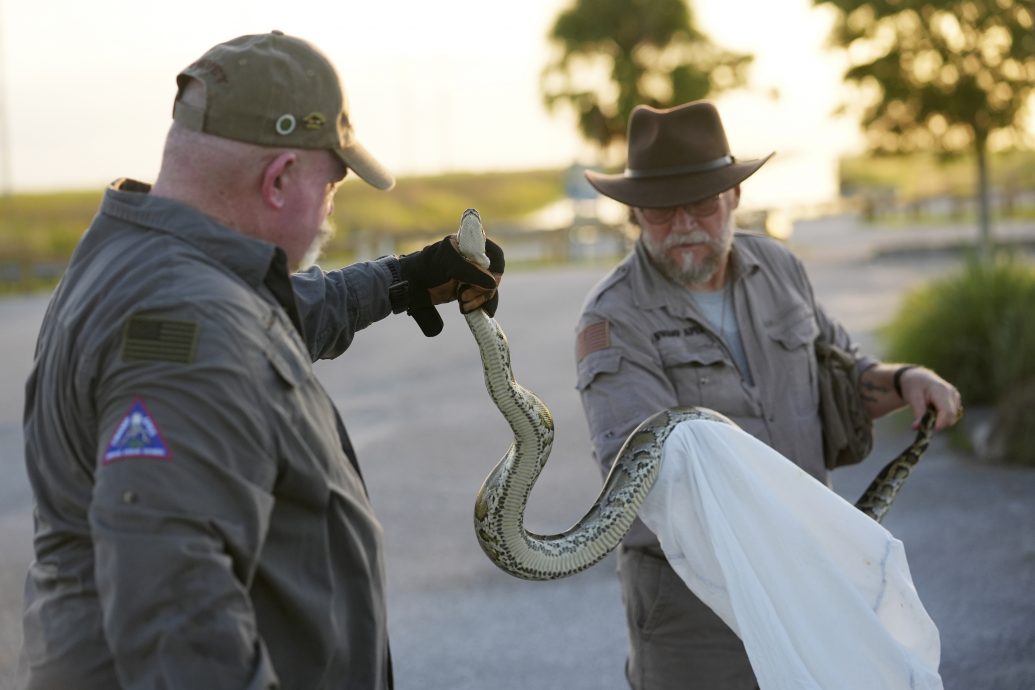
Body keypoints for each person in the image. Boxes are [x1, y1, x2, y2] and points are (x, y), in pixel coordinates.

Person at [18, 31, 503, 690]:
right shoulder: (185, 328)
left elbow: (266, 315)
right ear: (278, 180)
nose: (330, 210)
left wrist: (405, 280)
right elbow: (176, 618)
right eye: (332, 186)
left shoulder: (147, 264)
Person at [574, 101, 962, 690]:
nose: (683, 224)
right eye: (660, 210)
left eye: (702, 203)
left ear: (733, 197)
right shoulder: (612, 317)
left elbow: (842, 374)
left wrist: (905, 380)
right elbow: (646, 478)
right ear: (635, 216)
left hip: (809, 576)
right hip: (691, 606)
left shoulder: (779, 267)